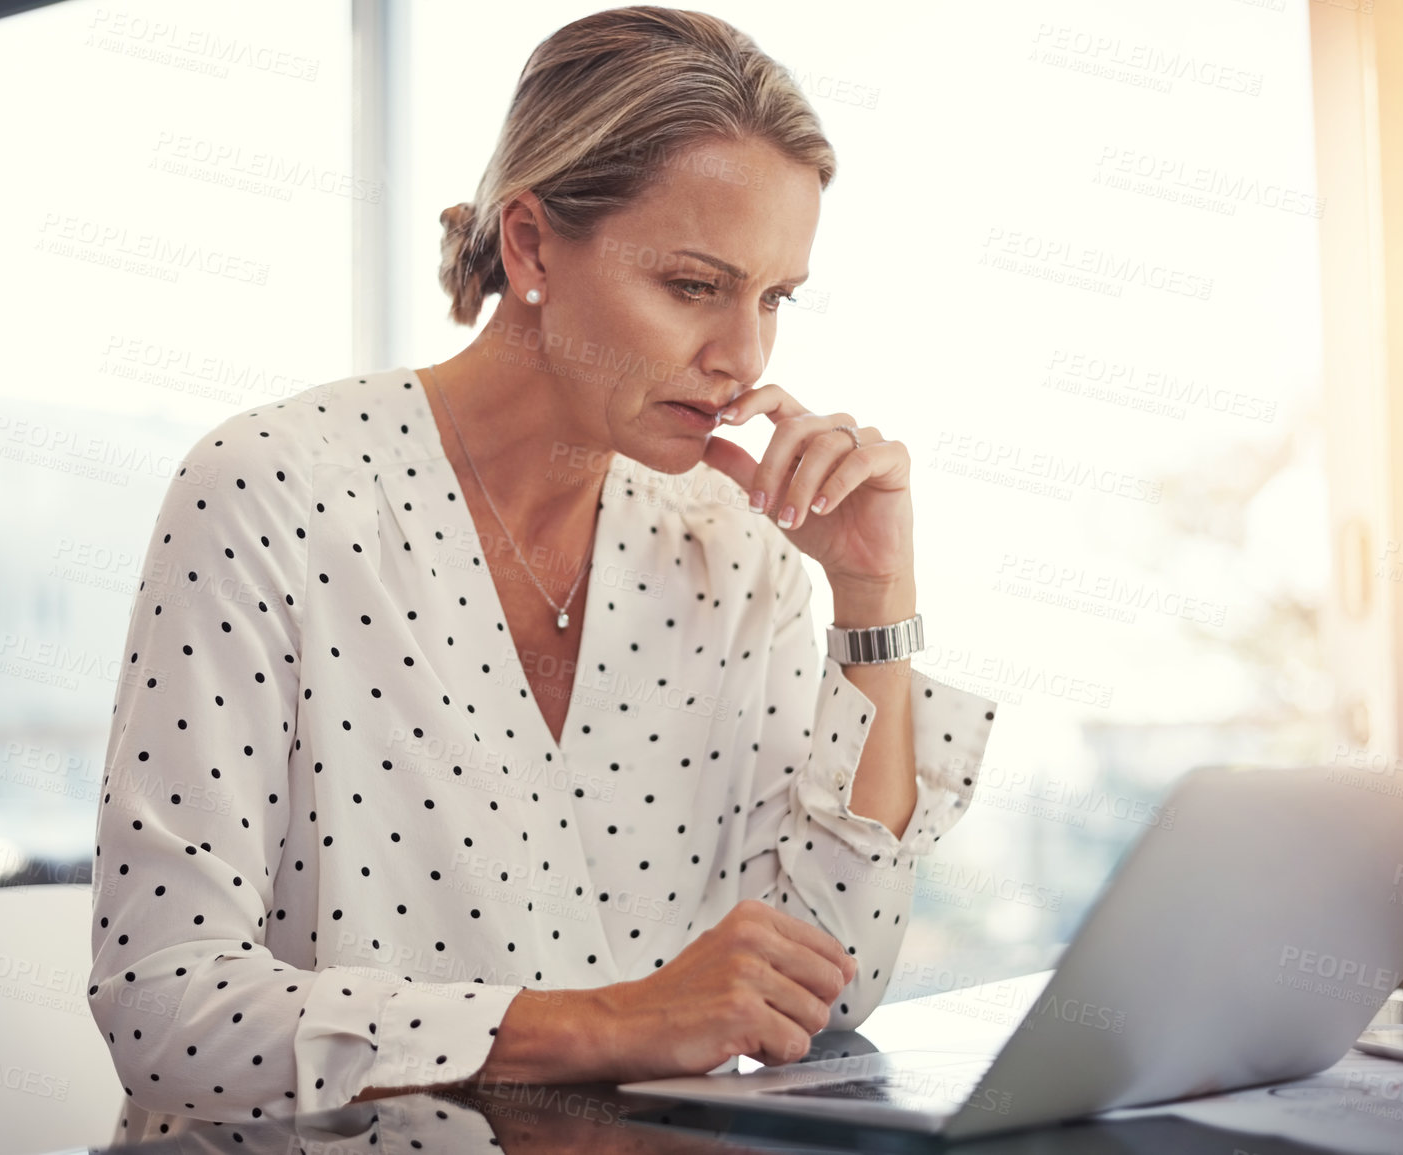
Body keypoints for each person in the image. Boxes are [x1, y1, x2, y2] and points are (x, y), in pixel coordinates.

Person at [87, 5, 997, 1142]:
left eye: (773, 298)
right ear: (529, 247)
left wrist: (874, 607)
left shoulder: (736, 543)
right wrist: (605, 1023)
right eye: (692, 285)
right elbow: (165, 1006)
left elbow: (827, 986)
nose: (745, 359)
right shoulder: (272, 491)